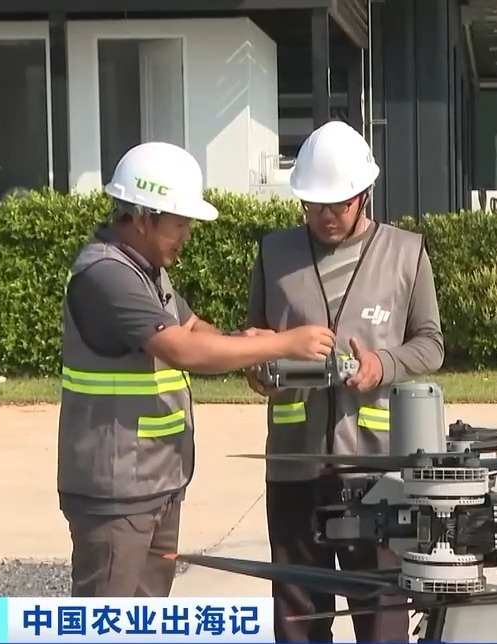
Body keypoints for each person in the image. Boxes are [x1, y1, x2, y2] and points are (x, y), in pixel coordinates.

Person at [57, 141, 338, 598]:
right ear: (143, 218)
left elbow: (191, 326)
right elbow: (183, 350)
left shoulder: (147, 269)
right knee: (106, 622)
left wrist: (247, 344)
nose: (187, 235)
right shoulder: (107, 276)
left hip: (155, 481)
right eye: (180, 223)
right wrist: (287, 342)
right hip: (115, 491)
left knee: (146, 619)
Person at [244, 120, 446, 642]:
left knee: (381, 613)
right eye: (314, 205)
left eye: (338, 204)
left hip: (375, 468)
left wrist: (383, 364)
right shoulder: (274, 254)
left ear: (364, 195)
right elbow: (254, 341)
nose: (326, 216)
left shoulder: (406, 253)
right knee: (298, 614)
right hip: (294, 464)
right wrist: (260, 373)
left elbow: (431, 343)